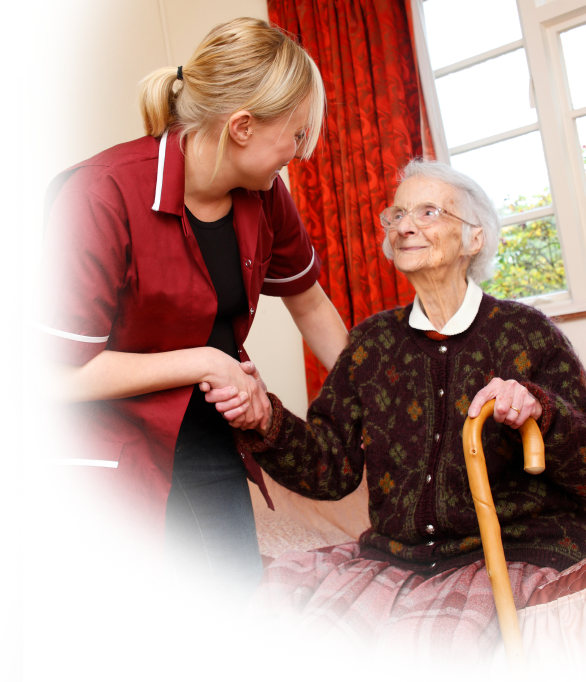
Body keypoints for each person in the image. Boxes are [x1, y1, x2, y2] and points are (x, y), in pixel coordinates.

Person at [31, 17, 348, 601]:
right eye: (297, 136)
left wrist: (382, 393)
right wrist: (206, 361)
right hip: (105, 443)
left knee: (232, 604)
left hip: (204, 435)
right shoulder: (100, 195)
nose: (302, 154)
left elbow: (312, 307)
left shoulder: (266, 197)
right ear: (243, 126)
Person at [234, 159, 586, 659]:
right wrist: (264, 418)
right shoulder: (372, 343)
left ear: (474, 239)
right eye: (396, 215)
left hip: (505, 553)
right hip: (399, 558)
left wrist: (541, 411)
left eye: (427, 212)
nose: (404, 226)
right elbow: (329, 470)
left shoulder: (527, 333)